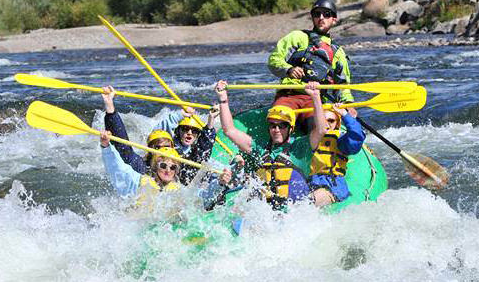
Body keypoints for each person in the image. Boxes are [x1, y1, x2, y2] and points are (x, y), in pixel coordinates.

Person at [214, 79, 326, 210]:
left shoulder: (300, 147)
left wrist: (316, 97)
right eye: (273, 125)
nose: (277, 130)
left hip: (295, 213)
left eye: (282, 125)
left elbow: (321, 130)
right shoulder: (260, 147)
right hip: (266, 213)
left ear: (291, 128)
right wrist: (223, 98)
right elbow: (229, 130)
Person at [99, 129, 232, 210]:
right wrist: (106, 147)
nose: (168, 170)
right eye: (163, 166)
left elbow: (205, 196)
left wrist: (220, 183)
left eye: (173, 167)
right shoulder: (138, 181)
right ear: (156, 166)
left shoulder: (180, 190)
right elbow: (116, 168)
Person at [267, 0, 354, 119]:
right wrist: (288, 70)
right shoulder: (297, 37)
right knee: (278, 120)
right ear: (313, 17)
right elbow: (274, 60)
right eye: (317, 14)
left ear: (334, 19)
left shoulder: (337, 53)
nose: (321, 17)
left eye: (326, 14)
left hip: (315, 100)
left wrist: (348, 104)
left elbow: (342, 85)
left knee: (319, 127)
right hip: (288, 96)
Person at [308, 104, 365, 207]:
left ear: (337, 123)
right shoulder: (314, 138)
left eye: (331, 120)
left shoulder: (341, 141)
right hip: (314, 183)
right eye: (324, 120)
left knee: (311, 200)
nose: (327, 124)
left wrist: (344, 114)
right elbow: (320, 129)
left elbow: (356, 137)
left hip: (333, 186)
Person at [152, 105, 219, 184]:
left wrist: (211, 120)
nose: (189, 133)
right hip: (162, 176)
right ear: (178, 131)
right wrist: (180, 115)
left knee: (202, 158)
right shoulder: (169, 143)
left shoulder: (195, 152)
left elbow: (205, 146)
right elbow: (157, 133)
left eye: (194, 131)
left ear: (197, 135)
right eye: (185, 129)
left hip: (181, 181)